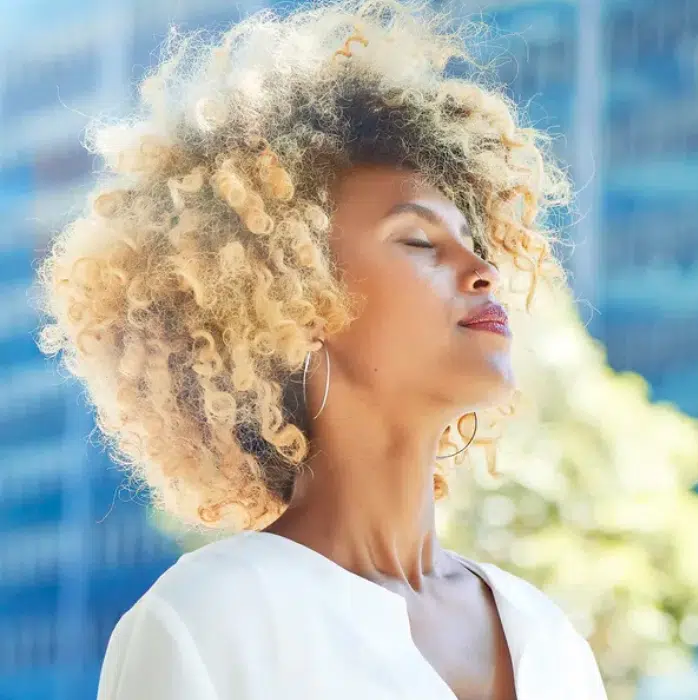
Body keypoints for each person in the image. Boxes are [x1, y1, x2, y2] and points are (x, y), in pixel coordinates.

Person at [36, 0, 607, 698]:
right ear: (294, 300)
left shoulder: (549, 640)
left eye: (477, 244)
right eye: (420, 241)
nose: (482, 270)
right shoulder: (209, 623)